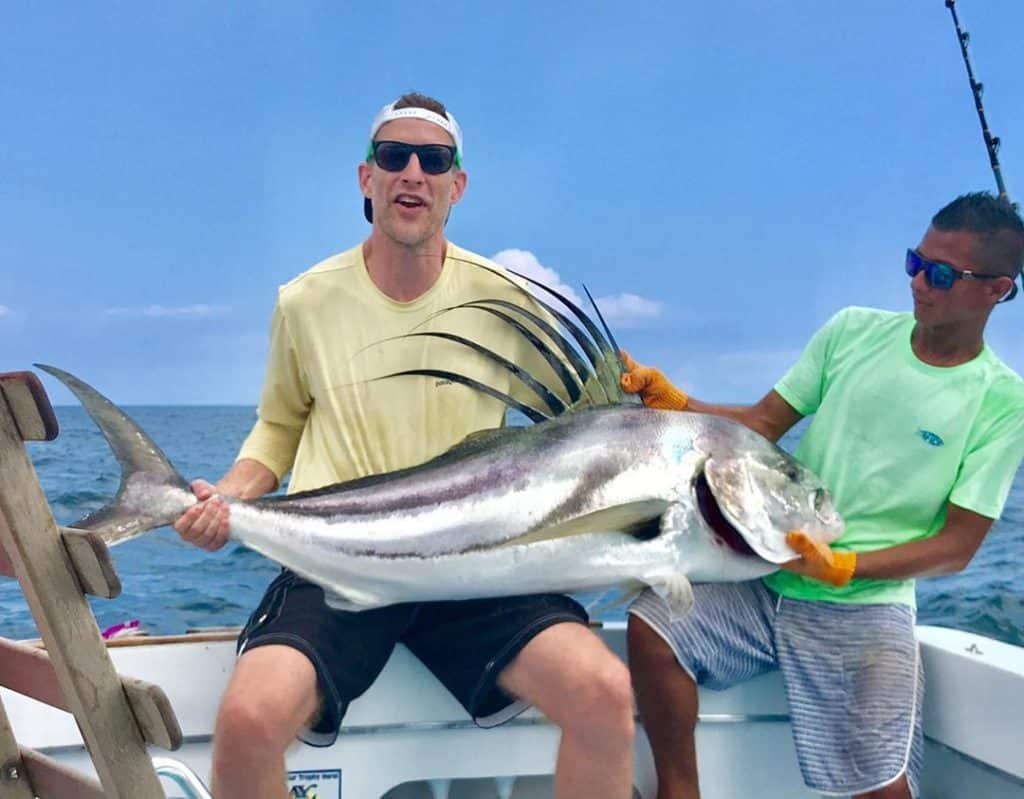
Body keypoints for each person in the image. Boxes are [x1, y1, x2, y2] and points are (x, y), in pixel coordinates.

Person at [173, 93, 634, 799]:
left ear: (457, 185)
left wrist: (645, 406)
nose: (411, 172)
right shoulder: (304, 300)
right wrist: (227, 497)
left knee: (604, 690)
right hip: (340, 559)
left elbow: (581, 421)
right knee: (247, 720)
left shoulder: (506, 298)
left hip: (478, 560)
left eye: (434, 159)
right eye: (394, 157)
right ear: (367, 178)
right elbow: (278, 428)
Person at [620, 192, 1024, 799]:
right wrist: (679, 406)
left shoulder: (1001, 401)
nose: (919, 283)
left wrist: (845, 567)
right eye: (915, 262)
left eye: (941, 274)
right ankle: (680, 792)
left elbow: (958, 547)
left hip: (866, 607)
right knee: (654, 629)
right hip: (768, 579)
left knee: (881, 787)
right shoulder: (852, 331)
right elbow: (761, 425)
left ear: (996, 289)